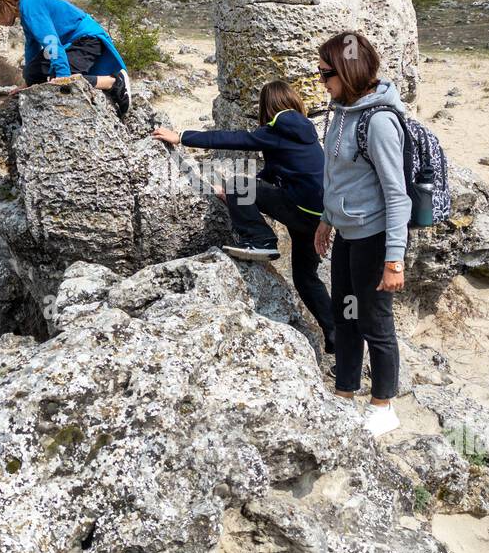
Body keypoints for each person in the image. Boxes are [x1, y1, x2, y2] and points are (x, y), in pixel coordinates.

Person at [151, 80, 335, 355]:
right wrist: (238, 194)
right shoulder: (304, 132)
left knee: (238, 181)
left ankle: (261, 240)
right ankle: (336, 335)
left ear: (267, 107)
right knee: (306, 278)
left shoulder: (277, 129)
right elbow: (272, 174)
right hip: (317, 217)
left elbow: (234, 138)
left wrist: (182, 137)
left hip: (300, 210)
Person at [313, 32, 409, 437]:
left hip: (372, 239)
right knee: (346, 315)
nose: (321, 81)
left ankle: (384, 405)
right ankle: (345, 391)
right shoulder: (340, 112)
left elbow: (397, 195)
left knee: (376, 322)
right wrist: (325, 218)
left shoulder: (380, 122)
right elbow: (337, 176)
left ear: (347, 72)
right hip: (346, 235)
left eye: (326, 73)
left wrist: (394, 260)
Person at [0, 0, 131, 118]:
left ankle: (114, 82)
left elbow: (51, 42)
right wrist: (30, 81)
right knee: (32, 72)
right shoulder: (25, 12)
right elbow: (32, 48)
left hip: (88, 40)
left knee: (59, 78)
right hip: (71, 44)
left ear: (2, 5)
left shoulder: (30, 5)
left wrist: (63, 76)